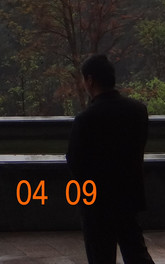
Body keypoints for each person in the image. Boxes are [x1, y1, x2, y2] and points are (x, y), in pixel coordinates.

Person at [66, 54, 157, 264]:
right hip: (129, 196)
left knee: (101, 256)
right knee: (136, 252)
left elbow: (75, 162)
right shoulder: (138, 111)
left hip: (97, 202)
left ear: (90, 80)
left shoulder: (86, 119)